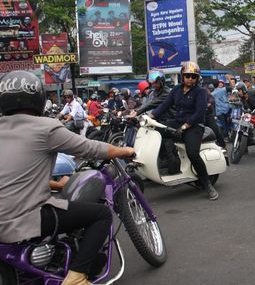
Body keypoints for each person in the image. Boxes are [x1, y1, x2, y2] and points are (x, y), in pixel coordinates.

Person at [0, 70, 135, 285]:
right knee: (101, 214)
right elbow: (91, 147)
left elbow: (15, 177)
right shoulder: (46, 127)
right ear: (39, 97)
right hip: (23, 219)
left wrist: (54, 183)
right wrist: (124, 151)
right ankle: (77, 278)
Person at [149, 61, 219, 200]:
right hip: (178, 123)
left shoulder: (201, 92)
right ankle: (169, 164)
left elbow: (199, 113)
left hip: (194, 127)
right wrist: (150, 116)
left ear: (197, 78)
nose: (190, 79)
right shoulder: (176, 90)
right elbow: (165, 105)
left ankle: (207, 185)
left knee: (193, 154)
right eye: (187, 76)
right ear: (182, 76)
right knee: (156, 131)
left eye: (193, 76)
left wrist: (186, 126)